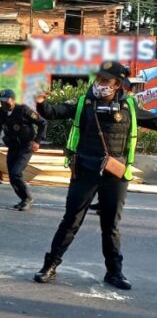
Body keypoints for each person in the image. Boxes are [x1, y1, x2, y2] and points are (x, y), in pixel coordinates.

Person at [33, 61, 157, 290]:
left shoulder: (129, 106)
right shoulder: (83, 103)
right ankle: (49, 266)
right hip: (85, 171)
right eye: (98, 79)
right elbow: (54, 112)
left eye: (105, 81)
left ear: (118, 84)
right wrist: (41, 103)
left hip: (115, 175)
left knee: (110, 225)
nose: (100, 84)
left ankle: (114, 272)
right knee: (71, 220)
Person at [0, 89, 47, 211]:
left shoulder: (23, 110)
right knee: (12, 176)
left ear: (13, 100)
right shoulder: (0, 112)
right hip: (13, 146)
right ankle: (23, 198)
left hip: (26, 146)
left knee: (16, 173)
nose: (3, 104)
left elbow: (43, 123)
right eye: (1, 101)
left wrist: (37, 141)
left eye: (6, 101)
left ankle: (28, 199)